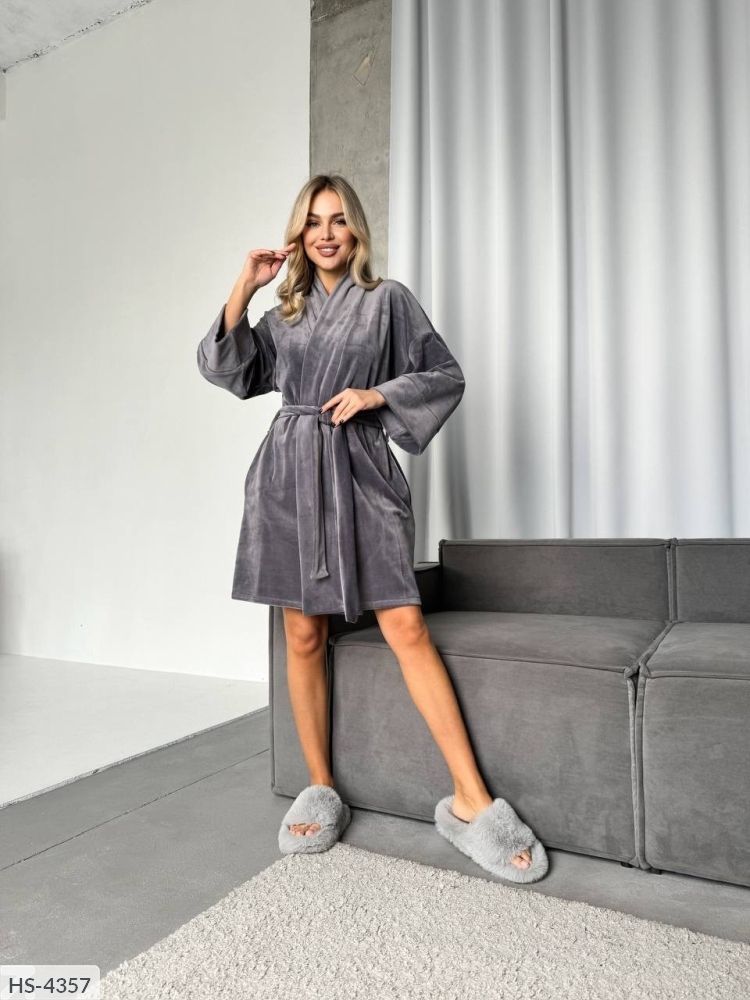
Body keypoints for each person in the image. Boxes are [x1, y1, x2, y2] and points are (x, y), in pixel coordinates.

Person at [197, 174, 545, 880]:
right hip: (290, 478)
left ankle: (471, 800)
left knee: (405, 626)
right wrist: (247, 285)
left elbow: (444, 374)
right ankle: (320, 787)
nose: (326, 233)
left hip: (362, 471)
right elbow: (227, 370)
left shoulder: (388, 301)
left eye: (338, 220)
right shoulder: (284, 312)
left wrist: (376, 394)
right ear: (299, 234)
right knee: (303, 634)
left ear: (355, 228)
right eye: (313, 222)